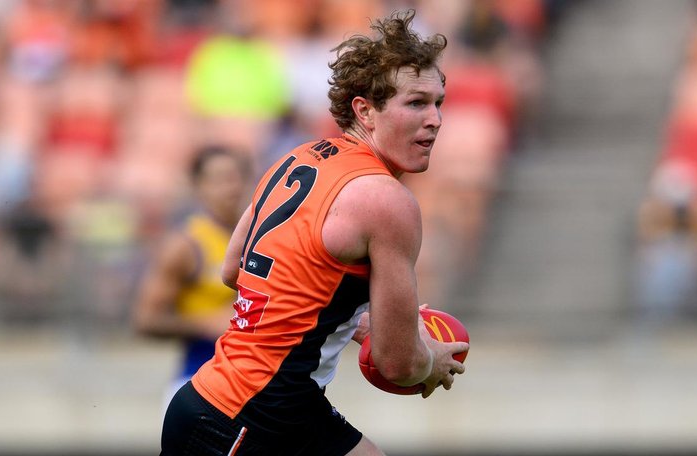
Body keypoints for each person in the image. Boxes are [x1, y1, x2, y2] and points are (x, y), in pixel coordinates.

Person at [160, 10, 469, 455]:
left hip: (236, 403)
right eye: (416, 103)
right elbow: (399, 363)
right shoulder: (386, 200)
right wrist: (431, 360)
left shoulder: (297, 157)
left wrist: (352, 319)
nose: (435, 119)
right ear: (364, 110)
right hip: (250, 419)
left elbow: (234, 269)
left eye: (439, 102)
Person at [133, 145, 250, 403]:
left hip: (256, 385)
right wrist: (204, 324)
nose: (232, 187)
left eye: (236, 176)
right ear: (199, 186)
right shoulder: (186, 245)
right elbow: (146, 320)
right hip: (198, 381)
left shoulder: (261, 239)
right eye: (219, 179)